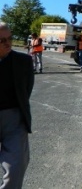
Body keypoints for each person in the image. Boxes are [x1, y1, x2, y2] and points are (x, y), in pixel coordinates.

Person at [0, 22, 34, 188]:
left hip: (14, 121)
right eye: (2, 40)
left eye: (10, 38)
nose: (8, 43)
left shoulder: (23, 61)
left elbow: (26, 89)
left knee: (16, 168)